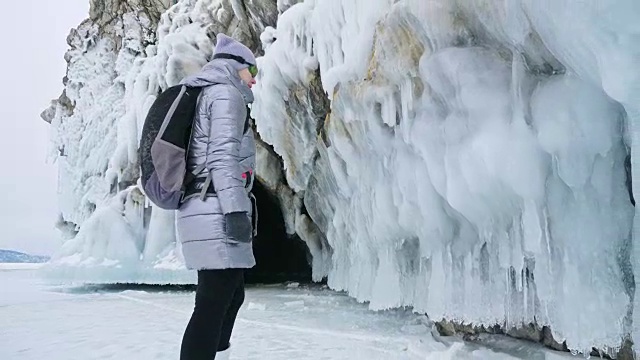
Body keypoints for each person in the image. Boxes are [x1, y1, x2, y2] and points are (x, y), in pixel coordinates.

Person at [177, 33, 259, 360]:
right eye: (252, 70)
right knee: (212, 302)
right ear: (236, 66)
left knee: (230, 294)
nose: (254, 79)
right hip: (215, 208)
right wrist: (236, 211)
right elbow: (221, 158)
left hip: (206, 205)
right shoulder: (226, 95)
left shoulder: (211, 93)